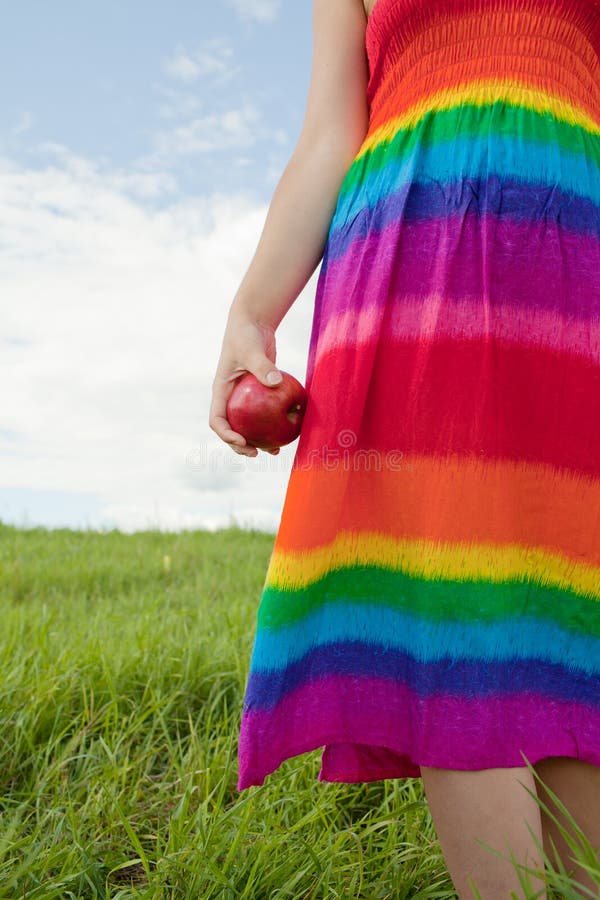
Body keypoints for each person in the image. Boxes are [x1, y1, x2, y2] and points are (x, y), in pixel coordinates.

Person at [209, 0, 600, 896]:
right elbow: (328, 134)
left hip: (572, 242)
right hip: (409, 248)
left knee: (578, 596)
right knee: (445, 593)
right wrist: (250, 312)